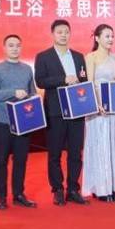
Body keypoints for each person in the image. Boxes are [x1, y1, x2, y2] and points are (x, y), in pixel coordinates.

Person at [34, 19, 89, 206]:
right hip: (55, 111)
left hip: (77, 110)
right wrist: (63, 79)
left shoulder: (79, 57)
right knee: (55, 153)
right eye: (60, 32)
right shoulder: (43, 56)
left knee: (75, 152)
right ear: (53, 34)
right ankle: (57, 189)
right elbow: (40, 81)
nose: (63, 35)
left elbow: (84, 81)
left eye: (66, 31)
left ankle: (73, 189)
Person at [0, 34, 38, 209]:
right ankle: (1, 197)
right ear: (4, 48)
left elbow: (32, 92)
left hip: (23, 122)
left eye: (17, 45)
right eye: (11, 45)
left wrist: (33, 100)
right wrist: (13, 92)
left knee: (21, 159)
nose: (15, 48)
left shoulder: (27, 69)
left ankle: (18, 194)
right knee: (1, 160)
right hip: (3, 121)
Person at [82, 23, 115, 202]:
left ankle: (113, 186)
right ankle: (100, 188)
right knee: (100, 145)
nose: (110, 39)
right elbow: (89, 83)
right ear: (97, 38)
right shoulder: (91, 57)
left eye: (112, 36)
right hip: (99, 107)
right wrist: (96, 104)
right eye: (107, 36)